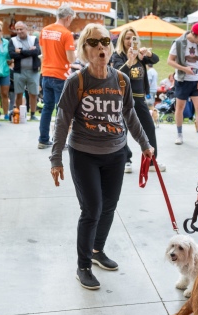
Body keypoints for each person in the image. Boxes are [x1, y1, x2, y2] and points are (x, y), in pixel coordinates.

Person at [49, 24, 153, 290]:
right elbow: (62, 121)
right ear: (84, 48)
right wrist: (56, 159)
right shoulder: (77, 81)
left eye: (105, 41)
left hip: (116, 153)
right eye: (93, 42)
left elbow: (130, 115)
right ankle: (82, 265)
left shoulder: (121, 80)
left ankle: (97, 250)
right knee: (92, 209)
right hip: (84, 153)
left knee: (109, 206)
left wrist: (145, 144)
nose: (100, 47)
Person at [111, 27, 163, 174]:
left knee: (149, 127)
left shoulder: (141, 55)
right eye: (127, 38)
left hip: (140, 99)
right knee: (123, 130)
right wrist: (130, 60)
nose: (130, 41)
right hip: (124, 98)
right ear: (122, 39)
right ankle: (125, 160)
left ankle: (151, 161)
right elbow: (117, 74)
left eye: (133, 38)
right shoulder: (118, 55)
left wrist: (148, 53)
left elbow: (156, 59)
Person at [38, 4, 76, 149]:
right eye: (71, 19)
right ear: (67, 18)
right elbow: (71, 59)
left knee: (47, 108)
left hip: (46, 73)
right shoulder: (66, 34)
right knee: (62, 110)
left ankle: (43, 139)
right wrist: (77, 54)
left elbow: (43, 53)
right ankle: (59, 141)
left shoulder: (44, 31)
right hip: (61, 74)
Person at [167, 22, 198, 147]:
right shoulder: (178, 42)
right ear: (193, 34)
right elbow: (169, 61)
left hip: (196, 80)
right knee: (180, 108)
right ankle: (179, 134)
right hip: (182, 80)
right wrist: (184, 69)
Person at [8, 21, 41, 121]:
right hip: (19, 71)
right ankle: (19, 114)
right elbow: (12, 54)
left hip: (33, 71)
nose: (19, 31)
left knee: (34, 93)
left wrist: (21, 51)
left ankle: (33, 114)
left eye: (21, 29)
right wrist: (29, 52)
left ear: (26, 29)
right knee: (18, 93)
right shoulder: (12, 40)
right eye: (17, 29)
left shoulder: (34, 39)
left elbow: (37, 52)